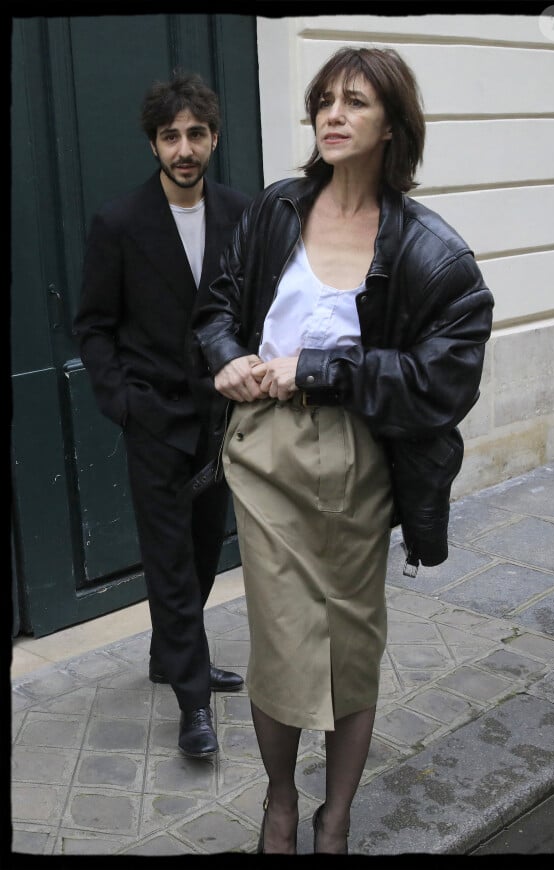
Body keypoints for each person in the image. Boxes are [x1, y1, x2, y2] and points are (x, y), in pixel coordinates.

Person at [191, 47, 494, 853]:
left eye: (354, 101)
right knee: (282, 639)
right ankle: (282, 803)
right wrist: (228, 356)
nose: (331, 114)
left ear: (392, 124)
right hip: (266, 454)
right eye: (324, 99)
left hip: (360, 457)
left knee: (351, 641)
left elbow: (443, 382)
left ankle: (338, 813)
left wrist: (317, 367)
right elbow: (217, 303)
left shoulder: (434, 251)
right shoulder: (277, 210)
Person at [73, 71, 250, 759]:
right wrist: (121, 401)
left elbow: (252, 307)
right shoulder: (119, 223)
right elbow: (93, 325)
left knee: (204, 553)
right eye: (171, 135)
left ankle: (170, 654)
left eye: (195, 134)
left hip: (220, 422)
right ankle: (192, 702)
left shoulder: (240, 213)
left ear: (212, 139)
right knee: (171, 563)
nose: (184, 147)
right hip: (154, 420)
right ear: (154, 143)